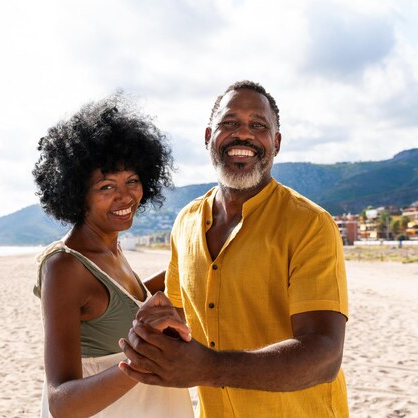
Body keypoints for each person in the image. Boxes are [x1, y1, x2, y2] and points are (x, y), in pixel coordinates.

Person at [119, 81, 349, 417]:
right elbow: (177, 315)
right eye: (230, 123)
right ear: (209, 136)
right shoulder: (186, 222)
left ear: (276, 142)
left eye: (258, 125)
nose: (243, 135)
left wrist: (208, 368)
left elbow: (324, 354)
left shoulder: (310, 224)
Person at [32, 94, 194, 418]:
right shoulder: (65, 266)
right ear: (78, 193)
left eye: (132, 180)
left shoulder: (111, 248)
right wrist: (144, 358)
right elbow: (62, 402)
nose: (125, 195)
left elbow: (120, 307)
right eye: (106, 186)